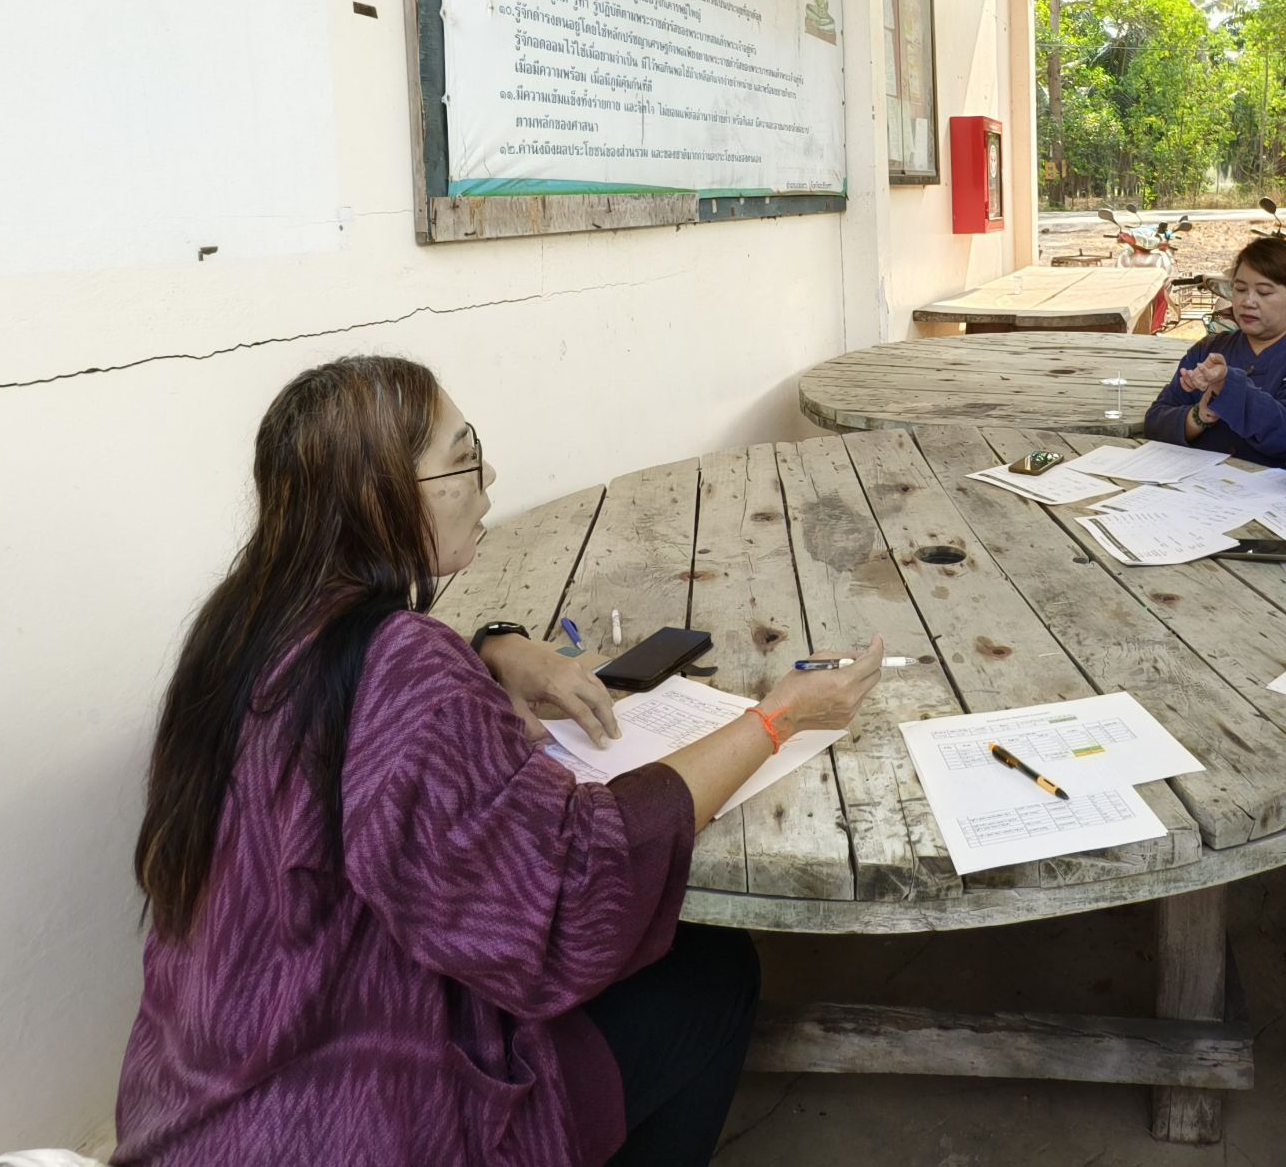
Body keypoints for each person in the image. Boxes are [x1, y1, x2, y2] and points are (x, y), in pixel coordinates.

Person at [113, 355, 882, 1166]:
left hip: (202, 1087)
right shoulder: (403, 665)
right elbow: (573, 884)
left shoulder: (239, 625)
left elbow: (358, 726)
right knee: (713, 975)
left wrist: (491, 650)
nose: (490, 478)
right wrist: (777, 718)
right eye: (463, 457)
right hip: (351, 1111)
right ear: (377, 495)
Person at [1142, 234, 1286, 465]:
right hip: (1209, 491)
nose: (1248, 301)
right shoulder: (1210, 350)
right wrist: (1200, 415)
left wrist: (1227, 385)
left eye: (1264, 292)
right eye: (1240, 289)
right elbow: (1155, 423)